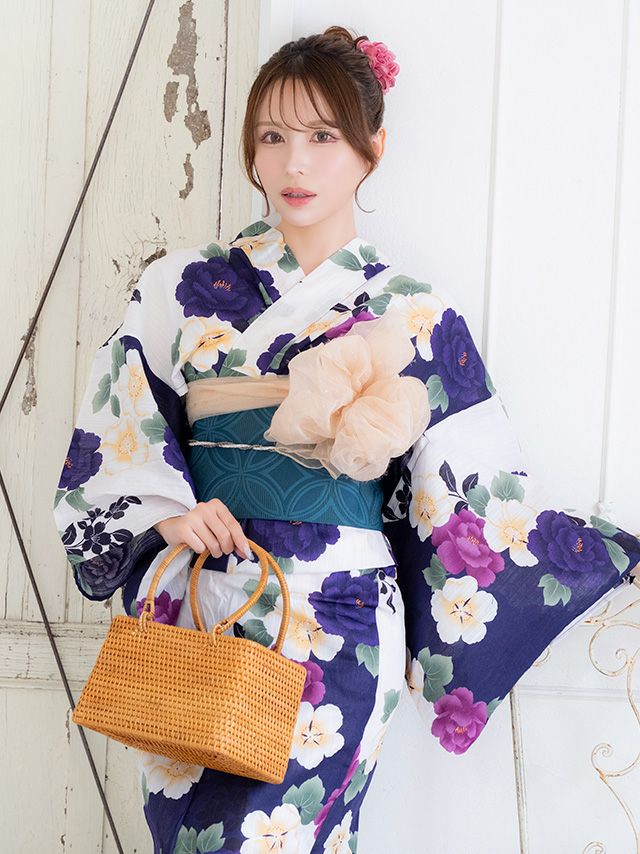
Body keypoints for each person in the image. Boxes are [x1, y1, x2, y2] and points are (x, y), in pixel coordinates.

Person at [51, 25, 640, 854]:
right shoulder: (178, 288)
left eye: (324, 137)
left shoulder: (412, 307)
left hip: (344, 618)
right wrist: (167, 512)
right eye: (273, 137)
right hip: (211, 610)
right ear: (251, 152)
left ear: (373, 149)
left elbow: (476, 492)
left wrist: (597, 553)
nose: (296, 163)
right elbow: (116, 429)